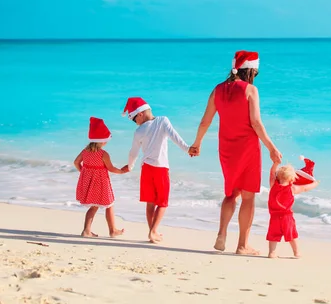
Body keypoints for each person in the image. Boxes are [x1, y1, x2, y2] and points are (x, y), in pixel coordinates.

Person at [190, 50, 282, 255]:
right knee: (248, 197)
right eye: (255, 73)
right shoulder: (250, 90)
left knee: (231, 193)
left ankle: (221, 234)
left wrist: (197, 143)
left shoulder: (217, 89)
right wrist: (272, 148)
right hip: (247, 148)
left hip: (226, 148)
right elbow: (256, 123)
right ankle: (242, 245)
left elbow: (205, 121)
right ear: (250, 71)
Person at [121, 97, 191, 243]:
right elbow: (175, 137)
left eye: (134, 119)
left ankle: (152, 231)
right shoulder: (162, 121)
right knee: (163, 202)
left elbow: (133, 152)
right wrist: (188, 149)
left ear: (140, 114)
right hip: (160, 168)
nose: (135, 123)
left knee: (150, 202)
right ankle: (153, 231)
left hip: (146, 168)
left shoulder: (139, 131)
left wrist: (130, 166)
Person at [74, 117, 129, 238]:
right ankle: (112, 230)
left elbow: (76, 162)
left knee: (94, 207)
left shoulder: (85, 151)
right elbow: (110, 168)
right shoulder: (103, 154)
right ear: (102, 141)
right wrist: (122, 171)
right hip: (101, 184)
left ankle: (87, 230)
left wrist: (84, 172)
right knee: (109, 205)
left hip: (88, 182)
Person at [266, 162, 319, 259]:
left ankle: (272, 253)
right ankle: (296, 252)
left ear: (277, 177)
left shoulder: (273, 185)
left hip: (274, 217)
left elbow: (271, 173)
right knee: (292, 235)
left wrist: (275, 164)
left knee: (273, 235)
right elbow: (305, 188)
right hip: (287, 217)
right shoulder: (292, 188)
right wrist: (315, 183)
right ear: (291, 179)